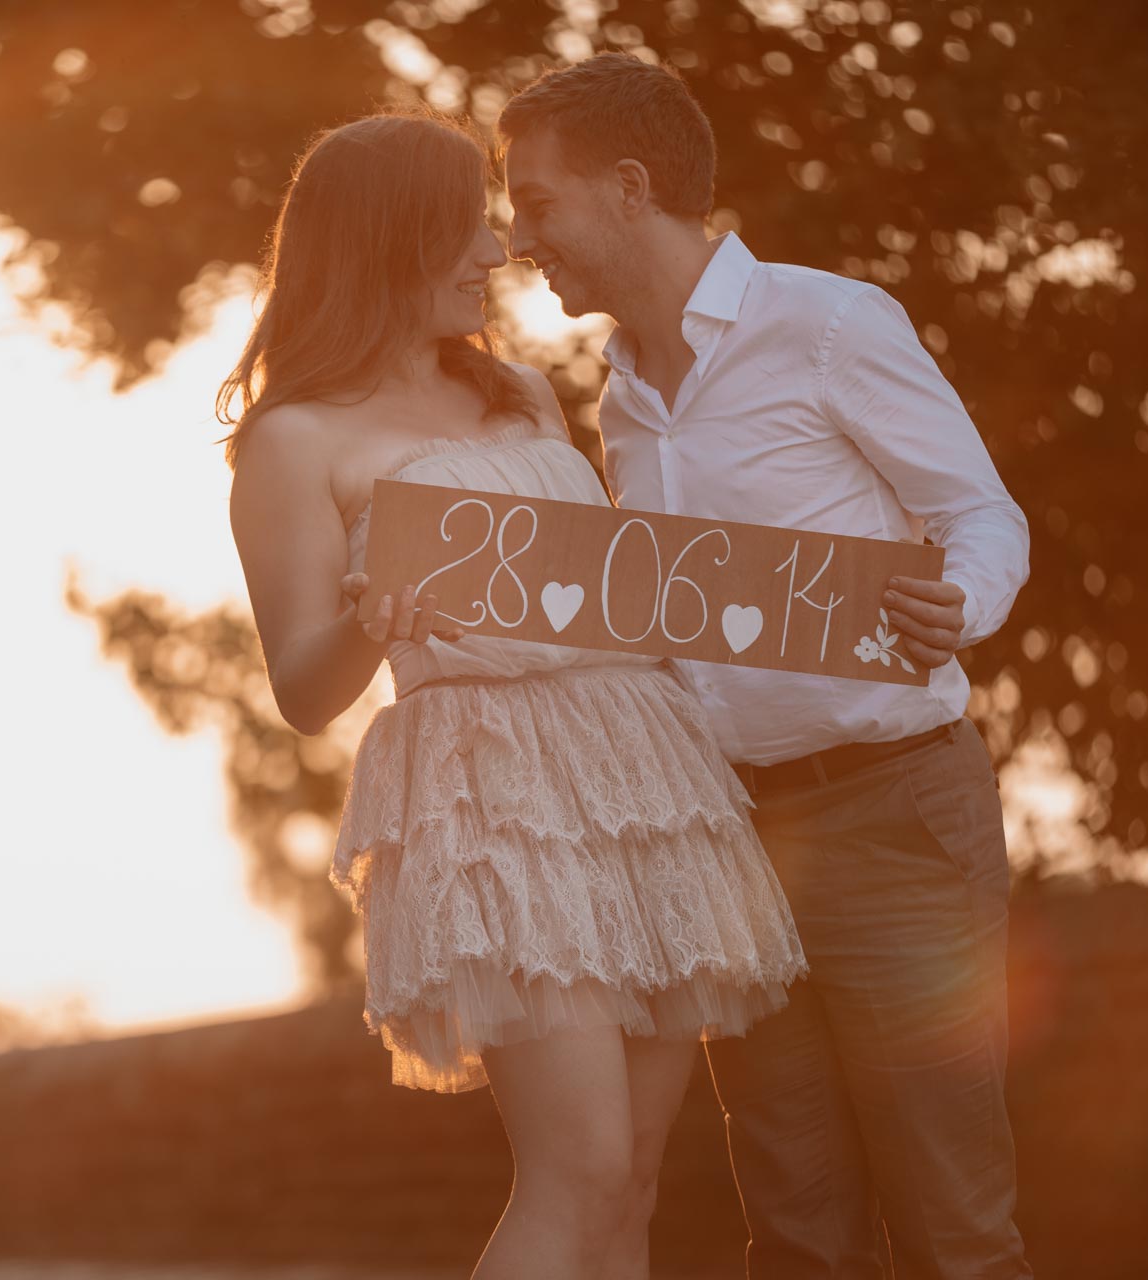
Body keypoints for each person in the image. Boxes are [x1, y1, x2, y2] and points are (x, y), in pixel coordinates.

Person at [222, 110, 807, 1280]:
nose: (497, 256)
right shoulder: (292, 442)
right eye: (467, 230)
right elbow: (299, 687)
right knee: (577, 1167)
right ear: (386, 242)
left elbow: (609, 589)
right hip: (489, 788)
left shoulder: (522, 397)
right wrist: (364, 616)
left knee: (632, 1176)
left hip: (639, 770)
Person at [497, 53, 1035, 1279]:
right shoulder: (619, 396)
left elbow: (981, 512)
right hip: (733, 844)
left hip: (896, 809)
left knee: (951, 1219)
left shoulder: (830, 323)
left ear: (628, 187)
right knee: (792, 1229)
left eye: (535, 202)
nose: (519, 237)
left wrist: (959, 599)